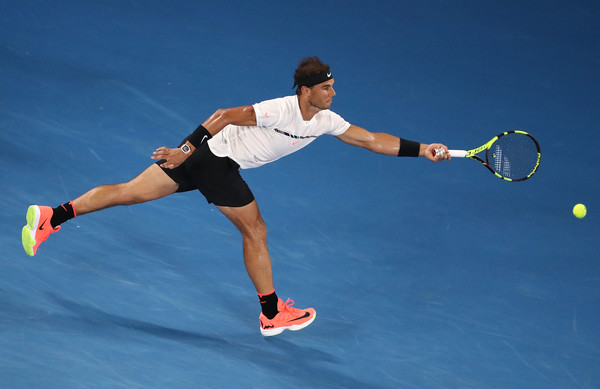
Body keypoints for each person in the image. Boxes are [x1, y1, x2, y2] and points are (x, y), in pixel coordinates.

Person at [21, 57, 451, 336]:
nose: (333, 93)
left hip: (207, 161)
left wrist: (423, 149)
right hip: (214, 162)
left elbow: (374, 140)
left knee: (128, 193)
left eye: (333, 87)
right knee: (256, 230)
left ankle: (50, 217)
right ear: (306, 91)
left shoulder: (326, 120)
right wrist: (184, 151)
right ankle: (270, 312)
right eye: (326, 88)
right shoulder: (279, 109)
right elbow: (223, 116)